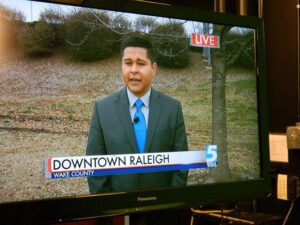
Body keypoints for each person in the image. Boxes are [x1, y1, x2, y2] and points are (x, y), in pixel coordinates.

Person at [86, 36, 188, 194]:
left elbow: (181, 165)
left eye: (141, 63)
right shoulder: (102, 109)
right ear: (122, 66)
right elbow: (95, 168)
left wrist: (170, 203)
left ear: (153, 69)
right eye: (128, 63)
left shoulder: (172, 108)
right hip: (117, 211)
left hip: (162, 209)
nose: (133, 70)